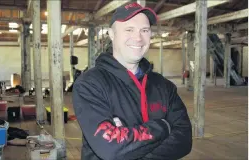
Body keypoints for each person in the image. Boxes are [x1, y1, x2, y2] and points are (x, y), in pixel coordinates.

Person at [72, 2, 192, 160]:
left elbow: (184, 141)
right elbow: (110, 149)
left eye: (144, 30)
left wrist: (128, 144)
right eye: (129, 29)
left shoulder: (164, 86)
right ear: (112, 34)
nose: (138, 38)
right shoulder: (89, 84)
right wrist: (164, 126)